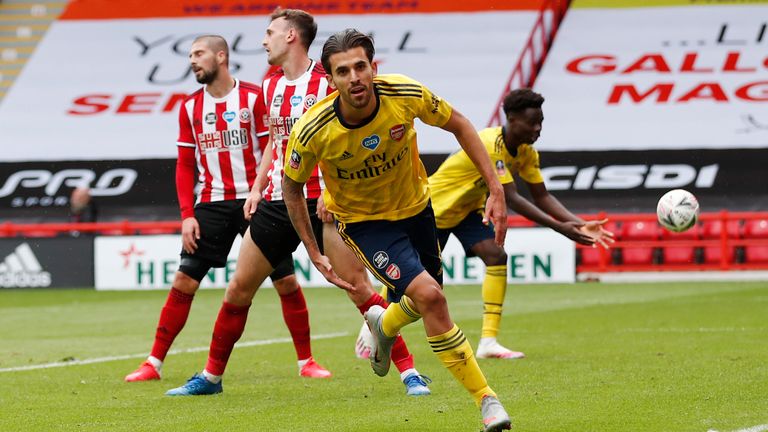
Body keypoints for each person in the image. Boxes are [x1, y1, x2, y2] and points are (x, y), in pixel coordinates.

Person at [165, 10, 430, 397]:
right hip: (277, 200)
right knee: (238, 289)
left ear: (291, 36)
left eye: (269, 32)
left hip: (323, 203)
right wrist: (257, 187)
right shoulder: (270, 84)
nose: (263, 40)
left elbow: (344, 137)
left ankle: (410, 373)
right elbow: (276, 140)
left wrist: (329, 190)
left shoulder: (327, 83)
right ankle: (211, 377)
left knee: (357, 287)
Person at [283, 29, 512, 432]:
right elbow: (291, 186)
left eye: (360, 66)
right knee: (431, 297)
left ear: (373, 67)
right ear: (330, 79)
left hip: (418, 208)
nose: (354, 77)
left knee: (427, 299)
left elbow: (459, 124)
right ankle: (487, 402)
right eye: (342, 71)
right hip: (366, 224)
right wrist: (313, 249)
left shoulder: (404, 93)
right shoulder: (313, 129)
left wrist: (495, 187)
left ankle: (383, 324)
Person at [124, 34, 332, 384]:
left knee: (285, 281)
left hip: (257, 201)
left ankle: (306, 361)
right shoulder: (190, 107)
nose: (192, 60)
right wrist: (187, 214)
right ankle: (154, 363)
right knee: (185, 279)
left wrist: (260, 190)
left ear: (221, 56)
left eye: (199, 53)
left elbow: (275, 147)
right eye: (190, 54)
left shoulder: (254, 97)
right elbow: (185, 164)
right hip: (212, 202)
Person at [428, 88, 614, 359]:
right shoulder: (490, 143)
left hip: (467, 210)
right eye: (532, 123)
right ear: (512, 119)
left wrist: (579, 223)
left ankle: (488, 342)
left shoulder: (526, 153)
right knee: (421, 279)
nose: (537, 129)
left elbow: (542, 196)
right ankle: (375, 325)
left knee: (496, 255)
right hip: (433, 210)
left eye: (541, 122)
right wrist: (560, 229)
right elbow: (511, 197)